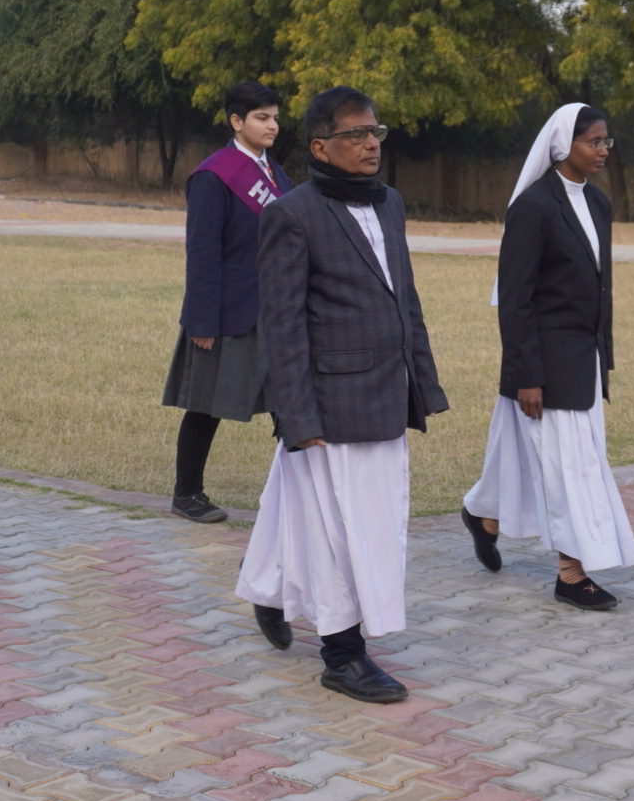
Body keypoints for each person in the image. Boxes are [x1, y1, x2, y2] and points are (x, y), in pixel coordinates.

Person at [236, 86, 449, 703]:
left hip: (386, 393)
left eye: (375, 132)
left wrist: (424, 382)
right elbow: (282, 325)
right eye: (355, 134)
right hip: (332, 404)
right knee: (340, 532)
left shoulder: (390, 204)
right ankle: (342, 655)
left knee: (354, 518)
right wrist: (298, 417)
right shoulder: (292, 215)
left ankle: (271, 589)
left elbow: (404, 298)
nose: (370, 143)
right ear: (320, 147)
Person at [460, 104, 634, 609]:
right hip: (544, 366)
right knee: (570, 471)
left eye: (606, 142)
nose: (603, 151)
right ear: (564, 145)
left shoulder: (598, 203)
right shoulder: (534, 207)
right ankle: (571, 574)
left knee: (523, 458)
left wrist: (602, 356)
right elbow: (515, 298)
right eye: (593, 142)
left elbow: (598, 287)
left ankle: (484, 516)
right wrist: (527, 375)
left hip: (583, 359)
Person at [161, 82, 294, 523]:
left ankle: (298, 497)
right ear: (237, 122)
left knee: (291, 402)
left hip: (275, 308)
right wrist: (202, 322)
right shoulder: (213, 176)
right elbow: (202, 254)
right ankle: (187, 494)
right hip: (226, 312)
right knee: (206, 404)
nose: (272, 126)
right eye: (262, 117)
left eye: (275, 118)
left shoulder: (277, 174)